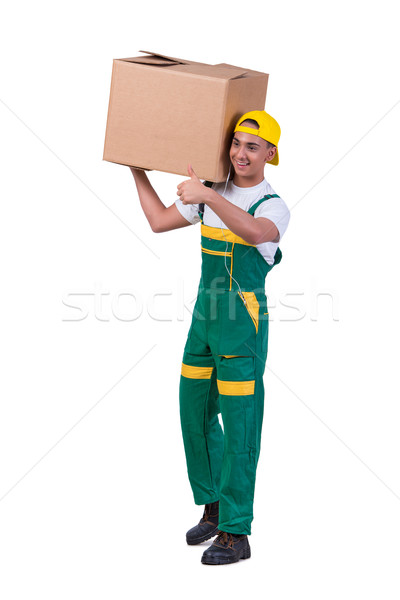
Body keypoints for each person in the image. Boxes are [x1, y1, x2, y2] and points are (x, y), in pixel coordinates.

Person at [130, 110, 290, 565]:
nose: (241, 153)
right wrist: (136, 170)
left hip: (242, 328)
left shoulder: (271, 204)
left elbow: (257, 232)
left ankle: (236, 533)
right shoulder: (211, 192)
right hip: (203, 321)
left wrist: (207, 195)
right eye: (237, 143)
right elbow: (159, 221)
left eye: (253, 146)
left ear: (271, 154)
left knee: (240, 427)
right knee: (193, 411)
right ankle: (215, 506)